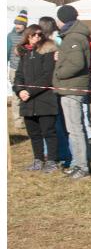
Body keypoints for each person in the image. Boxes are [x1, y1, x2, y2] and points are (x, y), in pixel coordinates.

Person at [52, 5, 91, 180]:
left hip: (71, 87)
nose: (56, 22)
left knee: (75, 129)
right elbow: (72, 58)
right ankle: (80, 164)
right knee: (76, 128)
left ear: (62, 19)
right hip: (71, 86)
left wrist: (58, 73)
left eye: (58, 18)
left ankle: (82, 167)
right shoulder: (74, 35)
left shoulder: (73, 37)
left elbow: (77, 63)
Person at [12, 24, 59, 173]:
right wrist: (19, 90)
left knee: (48, 132)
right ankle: (38, 160)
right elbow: (19, 75)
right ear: (28, 36)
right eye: (34, 35)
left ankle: (52, 161)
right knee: (34, 134)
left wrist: (29, 91)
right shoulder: (24, 54)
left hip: (45, 99)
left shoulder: (47, 52)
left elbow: (48, 76)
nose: (37, 37)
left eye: (39, 34)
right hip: (27, 102)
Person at [38, 16, 71, 168]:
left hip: (53, 86)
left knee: (55, 123)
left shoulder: (55, 41)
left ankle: (62, 154)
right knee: (51, 123)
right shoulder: (51, 41)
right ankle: (51, 153)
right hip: (49, 86)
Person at [8, 9, 28, 129]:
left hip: (27, 69)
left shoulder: (29, 36)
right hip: (14, 69)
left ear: (25, 25)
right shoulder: (10, 36)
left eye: (20, 24)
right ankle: (18, 122)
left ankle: (27, 118)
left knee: (27, 94)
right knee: (16, 95)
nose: (17, 26)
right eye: (16, 23)